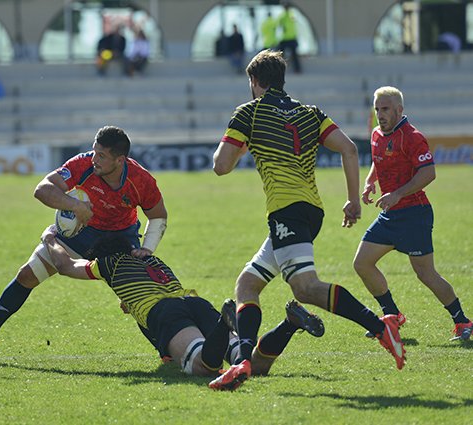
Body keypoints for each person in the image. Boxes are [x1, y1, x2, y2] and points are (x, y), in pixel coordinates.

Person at [210, 50, 405, 390]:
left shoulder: (249, 113)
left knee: (305, 288)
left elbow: (220, 166)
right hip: (310, 210)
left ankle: (379, 326)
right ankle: (241, 362)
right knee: (247, 284)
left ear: (255, 82)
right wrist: (351, 200)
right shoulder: (309, 112)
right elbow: (348, 149)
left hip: (287, 210)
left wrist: (241, 144)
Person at [0, 126, 168, 351]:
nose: (95, 159)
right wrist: (75, 206)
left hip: (120, 238)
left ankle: (168, 353)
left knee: (135, 298)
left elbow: (158, 216)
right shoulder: (83, 164)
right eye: (94, 151)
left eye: (101, 156)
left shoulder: (141, 180)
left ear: (120, 160)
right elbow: (42, 189)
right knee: (26, 275)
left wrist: (147, 249)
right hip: (80, 232)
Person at [43, 227, 325, 388]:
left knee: (202, 366)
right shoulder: (152, 262)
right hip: (193, 302)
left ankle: (222, 325)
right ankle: (289, 323)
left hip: (165, 312)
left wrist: (50, 240)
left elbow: (66, 265)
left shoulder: (108, 264)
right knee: (248, 362)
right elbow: (139, 291)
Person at [353, 86, 473, 341]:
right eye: (377, 109)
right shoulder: (376, 134)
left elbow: (428, 172)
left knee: (425, 274)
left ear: (399, 110)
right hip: (390, 214)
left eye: (385, 109)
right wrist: (369, 182)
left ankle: (462, 321)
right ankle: (392, 315)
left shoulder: (412, 136)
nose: (380, 114)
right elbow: (378, 159)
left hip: (414, 214)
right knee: (362, 263)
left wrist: (397, 193)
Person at [277, 3, 301, 73]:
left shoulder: (283, 15)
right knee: (294, 55)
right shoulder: (292, 14)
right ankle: (297, 70)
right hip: (292, 38)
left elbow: (279, 24)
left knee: (280, 55)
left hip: (285, 38)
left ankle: (279, 69)